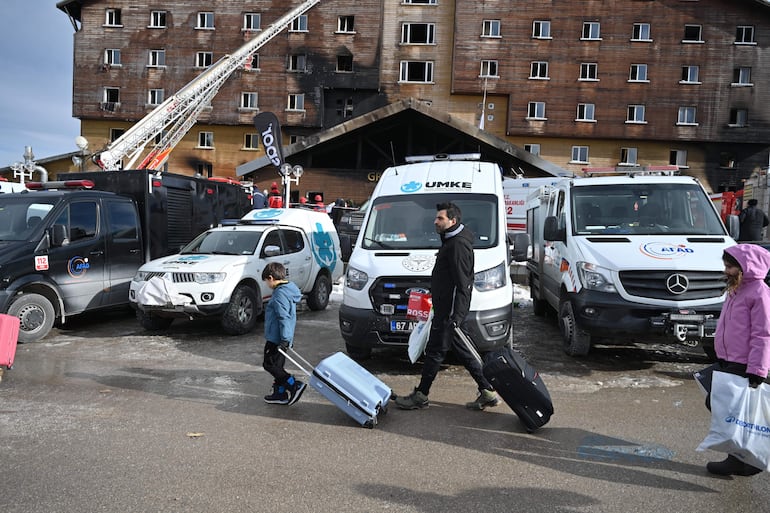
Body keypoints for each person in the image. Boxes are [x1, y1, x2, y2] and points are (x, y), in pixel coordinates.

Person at [395, 202, 500, 411]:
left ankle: (421, 395)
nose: (436, 221)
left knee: (436, 351)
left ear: (453, 221)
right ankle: (487, 391)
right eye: (436, 218)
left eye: (440, 218)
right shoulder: (451, 241)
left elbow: (463, 284)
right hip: (445, 310)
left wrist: (456, 316)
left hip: (450, 313)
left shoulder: (457, 245)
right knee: (461, 352)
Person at [705, 244, 770, 476]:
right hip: (729, 359)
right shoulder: (737, 289)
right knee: (723, 406)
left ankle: (745, 460)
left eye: (730, 266)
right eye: (725, 265)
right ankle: (741, 458)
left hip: (745, 363)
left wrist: (757, 370)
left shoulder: (760, 293)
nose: (726, 270)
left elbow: (763, 334)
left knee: (738, 411)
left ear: (747, 267)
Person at [261, 262, 306, 405]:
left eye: (266, 281)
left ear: (271, 278)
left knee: (269, 365)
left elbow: (283, 317)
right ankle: (279, 393)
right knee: (277, 366)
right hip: (281, 337)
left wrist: (285, 339)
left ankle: (294, 385)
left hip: (277, 338)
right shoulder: (287, 289)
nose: (267, 284)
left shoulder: (280, 293)